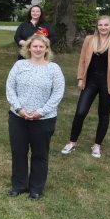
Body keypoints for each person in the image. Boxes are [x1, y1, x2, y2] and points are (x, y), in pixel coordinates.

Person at [5, 34, 65, 200]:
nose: (38, 49)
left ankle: (36, 188)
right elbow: (10, 88)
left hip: (44, 120)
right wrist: (19, 109)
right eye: (35, 46)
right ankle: (19, 186)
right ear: (28, 48)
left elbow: (57, 94)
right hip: (18, 117)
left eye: (41, 46)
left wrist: (41, 112)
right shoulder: (19, 65)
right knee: (18, 152)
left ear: (46, 49)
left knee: (40, 154)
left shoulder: (54, 69)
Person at [61, 16, 110, 159]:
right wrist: (80, 78)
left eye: (106, 25)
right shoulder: (89, 40)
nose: (103, 27)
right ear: (97, 27)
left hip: (107, 83)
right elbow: (82, 60)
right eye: (100, 25)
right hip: (90, 82)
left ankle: (97, 145)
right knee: (80, 112)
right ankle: (72, 143)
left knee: (104, 114)